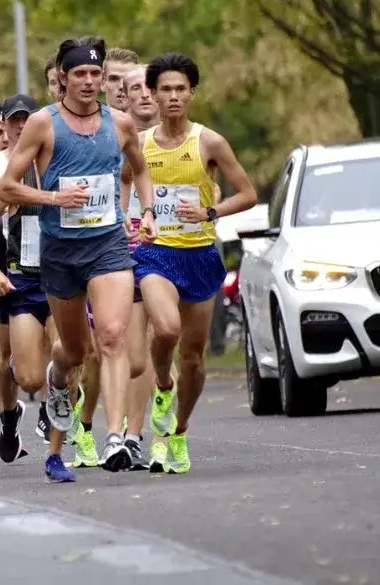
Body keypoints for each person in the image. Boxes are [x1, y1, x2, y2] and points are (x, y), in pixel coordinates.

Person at [0, 36, 157, 481]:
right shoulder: (43, 125)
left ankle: (117, 436)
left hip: (107, 244)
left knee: (114, 334)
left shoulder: (120, 124)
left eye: (94, 74)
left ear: (103, 79)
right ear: (63, 78)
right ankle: (58, 380)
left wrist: (148, 211)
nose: (87, 81)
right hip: (61, 252)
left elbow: (139, 168)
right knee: (74, 351)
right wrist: (52, 196)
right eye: (78, 74)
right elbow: (8, 187)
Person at [131, 52, 257, 474]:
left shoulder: (209, 142)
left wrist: (210, 213)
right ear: (152, 93)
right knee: (165, 329)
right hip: (154, 253)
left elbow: (248, 193)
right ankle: (162, 388)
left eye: (180, 89)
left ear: (191, 93)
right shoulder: (139, 144)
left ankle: (178, 432)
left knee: (194, 356)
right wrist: (133, 222)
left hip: (200, 254)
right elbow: (119, 189)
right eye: (164, 89)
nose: (172, 97)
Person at [0, 93, 57, 462]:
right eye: (13, 121)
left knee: (70, 350)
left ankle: (63, 416)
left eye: (26, 119)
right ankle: (10, 416)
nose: (19, 127)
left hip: (61, 273)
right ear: (2, 126)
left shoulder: (57, 157)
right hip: (14, 273)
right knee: (20, 369)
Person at [73, 46, 142, 468]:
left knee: (136, 350)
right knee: (93, 350)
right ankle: (85, 421)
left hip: (145, 246)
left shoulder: (141, 131)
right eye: (111, 79)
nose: (117, 88)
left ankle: (129, 435)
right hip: (89, 245)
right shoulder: (84, 129)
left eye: (124, 81)